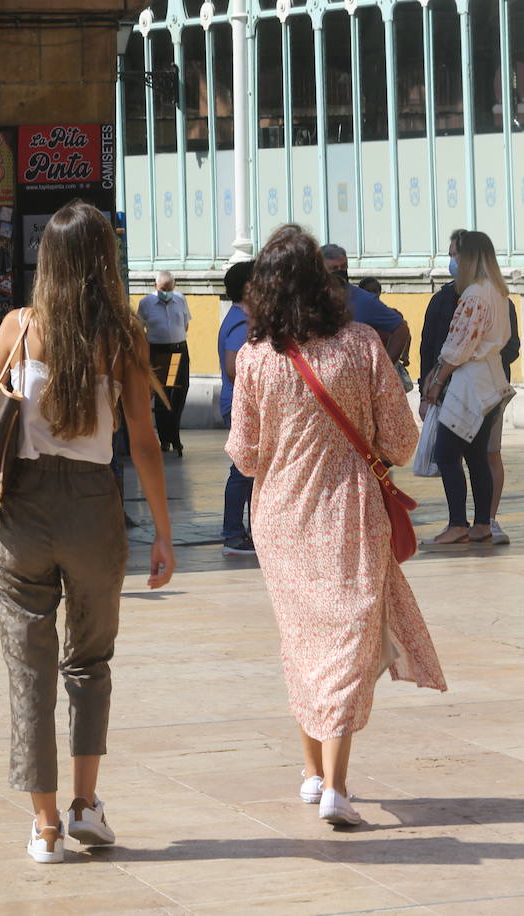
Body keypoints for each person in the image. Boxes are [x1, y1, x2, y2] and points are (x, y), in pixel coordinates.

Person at [0, 201, 175, 863]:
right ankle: (85, 804)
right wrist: (164, 534)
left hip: (22, 511)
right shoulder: (125, 335)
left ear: (46, 261)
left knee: (29, 671)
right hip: (93, 509)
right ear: (104, 260)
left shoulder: (20, 326)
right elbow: (144, 443)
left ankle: (45, 826)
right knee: (89, 661)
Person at [227, 224, 446, 827]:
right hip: (351, 513)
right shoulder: (362, 345)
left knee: (303, 640)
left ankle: (314, 773)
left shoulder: (254, 357)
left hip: (280, 519)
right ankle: (335, 785)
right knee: (345, 641)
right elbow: (400, 442)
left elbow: (245, 456)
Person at [421, 229, 520, 546]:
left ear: (468, 257)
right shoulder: (497, 292)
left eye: (455, 254)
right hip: (491, 381)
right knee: (477, 455)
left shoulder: (474, 294)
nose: (452, 261)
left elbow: (459, 345)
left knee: (447, 453)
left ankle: (457, 524)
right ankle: (481, 524)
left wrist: (437, 380)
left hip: (469, 383)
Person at [217, 261, 256, 557]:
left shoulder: (241, 318)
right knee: (243, 471)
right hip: (241, 405)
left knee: (250, 470)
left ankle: (251, 530)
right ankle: (233, 533)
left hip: (242, 404)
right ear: (248, 287)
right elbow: (233, 367)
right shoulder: (242, 323)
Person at [321, 243, 412, 363]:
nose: (340, 272)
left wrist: (386, 366)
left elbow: (401, 329)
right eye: (334, 268)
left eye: (343, 267)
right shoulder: (306, 300)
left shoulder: (363, 300)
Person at [136, 270, 190, 456]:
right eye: (162, 289)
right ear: (155, 286)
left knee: (179, 393)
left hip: (178, 351)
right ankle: (166, 439)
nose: (166, 293)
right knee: (163, 394)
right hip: (159, 352)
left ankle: (174, 435)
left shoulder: (180, 299)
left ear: (174, 287)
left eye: (169, 289)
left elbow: (186, 324)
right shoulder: (146, 303)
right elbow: (139, 329)